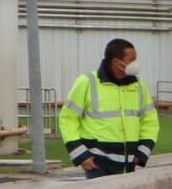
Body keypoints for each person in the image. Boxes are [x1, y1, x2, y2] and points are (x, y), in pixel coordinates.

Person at [61, 38, 160, 179]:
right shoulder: (86, 82)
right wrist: (81, 156)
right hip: (97, 164)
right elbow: (68, 120)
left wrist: (142, 152)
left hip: (128, 163)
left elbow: (150, 121)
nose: (136, 64)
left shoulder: (139, 85)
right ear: (116, 62)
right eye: (132, 60)